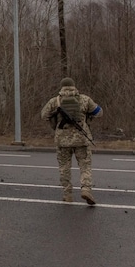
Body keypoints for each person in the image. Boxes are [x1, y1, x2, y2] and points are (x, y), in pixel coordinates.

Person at [40, 77, 103, 205]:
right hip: (81, 139)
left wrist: (54, 115)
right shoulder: (84, 99)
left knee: (64, 168)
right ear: (74, 86)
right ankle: (86, 189)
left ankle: (67, 194)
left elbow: (43, 115)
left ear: (61, 87)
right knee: (85, 166)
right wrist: (88, 116)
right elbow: (99, 112)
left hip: (62, 141)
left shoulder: (55, 101)